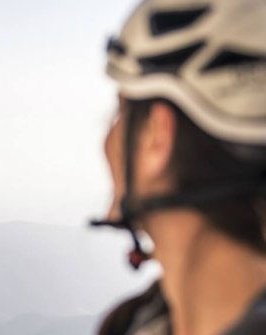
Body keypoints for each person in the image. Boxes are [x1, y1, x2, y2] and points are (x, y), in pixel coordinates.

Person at [93, 0, 266, 334]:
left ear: (155, 137)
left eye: (119, 113)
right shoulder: (139, 321)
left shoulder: (133, 323)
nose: (107, 140)